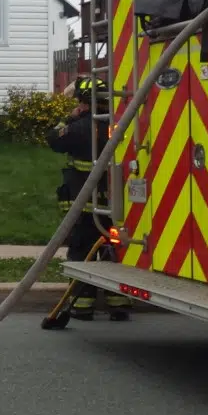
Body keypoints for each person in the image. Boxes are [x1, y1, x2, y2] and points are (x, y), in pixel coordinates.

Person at [45, 77, 132, 321]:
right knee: (113, 252)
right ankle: (119, 304)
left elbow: (54, 139)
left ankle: (82, 306)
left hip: (85, 207)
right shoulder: (118, 125)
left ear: (84, 103)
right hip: (117, 205)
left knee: (82, 253)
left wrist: (68, 119)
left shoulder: (80, 127)